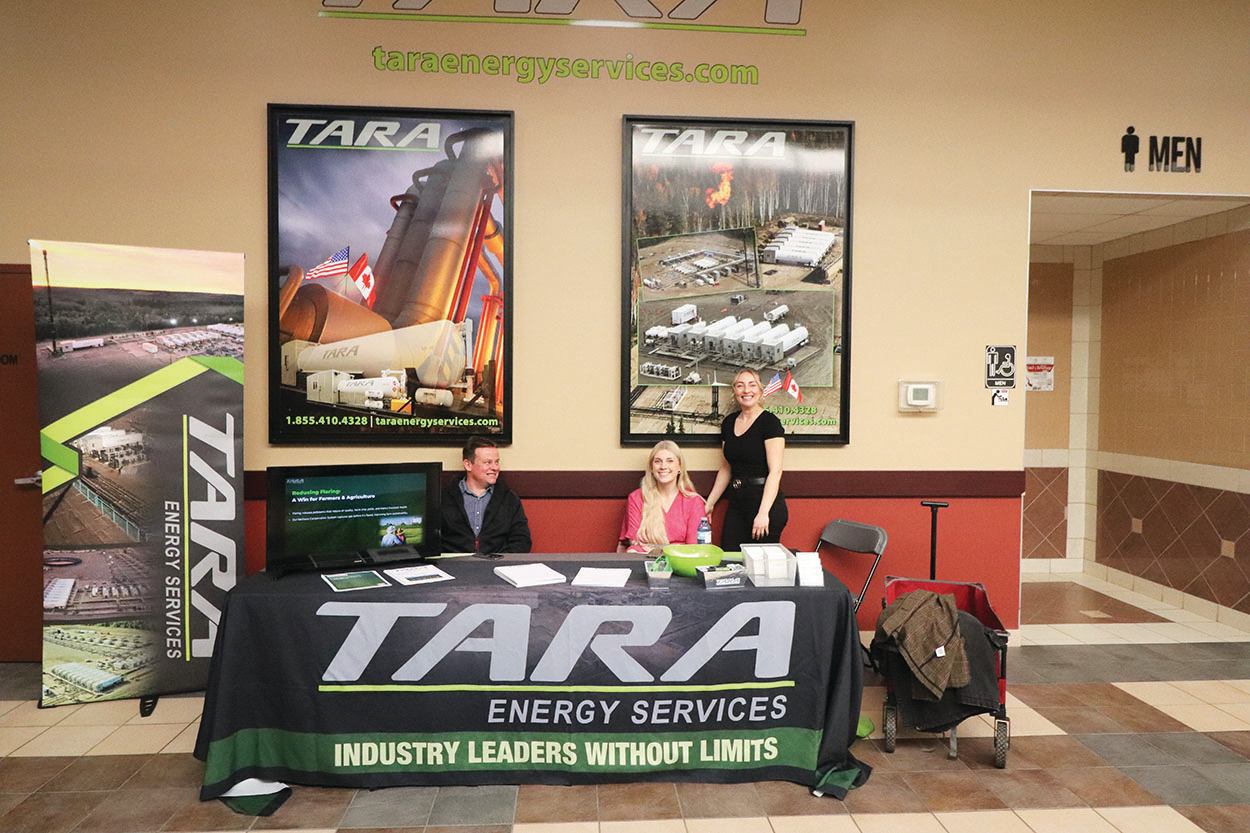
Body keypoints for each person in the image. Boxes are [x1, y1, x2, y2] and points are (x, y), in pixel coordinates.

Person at [704, 368, 788, 551]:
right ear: (734, 391)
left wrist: (763, 513)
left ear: (761, 390)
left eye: (752, 385)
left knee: (759, 564)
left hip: (764, 505)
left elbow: (775, 471)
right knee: (729, 558)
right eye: (740, 385)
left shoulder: (770, 422)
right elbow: (726, 468)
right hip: (737, 503)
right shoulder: (728, 423)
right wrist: (709, 504)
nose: (746, 390)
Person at [441, 436, 532, 554]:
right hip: (454, 563)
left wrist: (500, 559)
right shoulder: (444, 498)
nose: (495, 468)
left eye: (496, 462)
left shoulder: (509, 499)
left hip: (498, 563)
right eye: (488, 462)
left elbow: (522, 541)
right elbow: (432, 539)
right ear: (468, 465)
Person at [617, 440, 706, 554]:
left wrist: (655, 549)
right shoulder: (636, 498)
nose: (663, 466)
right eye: (658, 461)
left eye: (670, 461)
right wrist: (677, 547)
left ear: (680, 467)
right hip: (644, 560)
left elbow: (694, 548)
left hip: (681, 562)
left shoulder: (694, 501)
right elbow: (635, 543)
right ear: (651, 468)